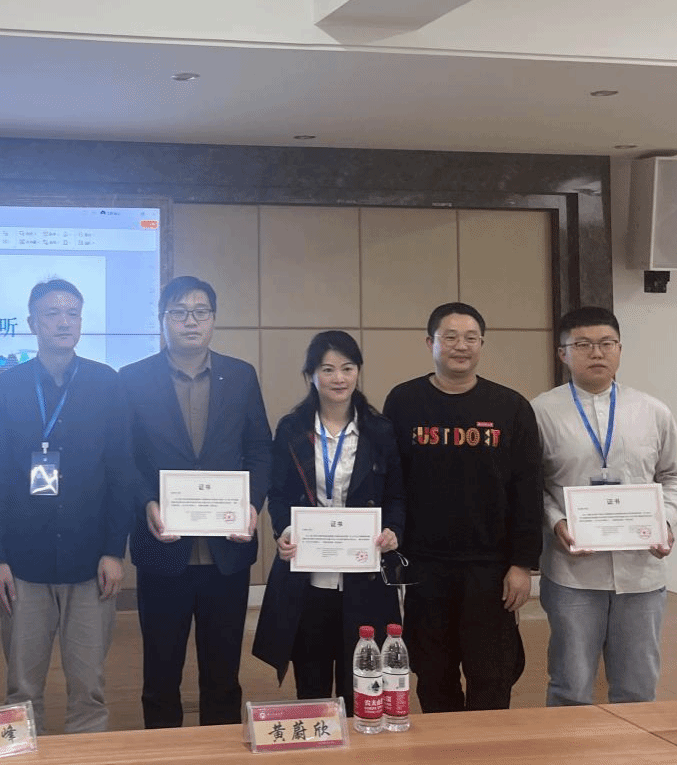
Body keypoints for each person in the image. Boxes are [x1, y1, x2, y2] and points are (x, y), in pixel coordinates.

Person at [0, 278, 136, 733]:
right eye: (52, 313)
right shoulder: (7, 386)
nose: (64, 322)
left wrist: (114, 551)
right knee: (22, 690)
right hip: (23, 564)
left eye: (72, 313)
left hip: (90, 562)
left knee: (89, 690)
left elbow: (121, 471)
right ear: (32, 323)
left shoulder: (106, 383)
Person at [119, 275, 272, 728]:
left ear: (213, 319)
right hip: (162, 549)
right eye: (179, 312)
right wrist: (147, 502)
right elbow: (124, 457)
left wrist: (251, 503)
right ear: (162, 319)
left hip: (227, 552)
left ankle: (220, 751)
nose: (191, 321)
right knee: (160, 674)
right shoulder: (133, 379)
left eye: (200, 312)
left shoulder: (241, 375)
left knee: (223, 675)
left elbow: (259, 449)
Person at [381, 302, 542, 712]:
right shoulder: (403, 401)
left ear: (482, 344)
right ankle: (443, 744)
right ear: (430, 343)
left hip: (490, 568)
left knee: (492, 673)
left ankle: (486, 744)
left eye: (471, 338)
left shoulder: (510, 407)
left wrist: (522, 564)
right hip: (424, 565)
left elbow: (528, 490)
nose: (461, 346)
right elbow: (390, 481)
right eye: (450, 337)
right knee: (433, 672)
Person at [533, 306, 677, 705]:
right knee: (570, 686)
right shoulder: (539, 412)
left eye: (607, 343)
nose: (597, 353)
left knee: (638, 688)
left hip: (641, 572)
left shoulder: (652, 411)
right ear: (562, 353)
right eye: (583, 344)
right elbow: (529, 486)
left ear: (620, 349)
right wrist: (556, 521)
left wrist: (665, 522)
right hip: (572, 573)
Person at [250, 331, 404, 716]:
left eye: (347, 368)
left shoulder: (380, 431)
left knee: (363, 683)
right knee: (312, 686)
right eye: (328, 369)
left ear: (358, 372)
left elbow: (397, 496)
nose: (339, 378)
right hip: (309, 579)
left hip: (364, 578)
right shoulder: (292, 429)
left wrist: (393, 531)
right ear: (311, 375)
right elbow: (279, 494)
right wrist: (285, 530)